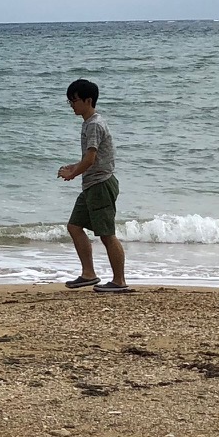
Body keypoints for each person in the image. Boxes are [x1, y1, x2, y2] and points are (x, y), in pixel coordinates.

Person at [57, 77, 128, 292]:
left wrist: (72, 174)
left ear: (88, 101)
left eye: (74, 100)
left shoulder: (95, 124)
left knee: (107, 234)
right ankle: (88, 274)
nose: (72, 105)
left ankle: (119, 281)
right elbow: (89, 158)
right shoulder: (88, 123)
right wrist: (73, 167)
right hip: (91, 185)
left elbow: (90, 159)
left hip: (101, 185)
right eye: (69, 101)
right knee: (74, 226)